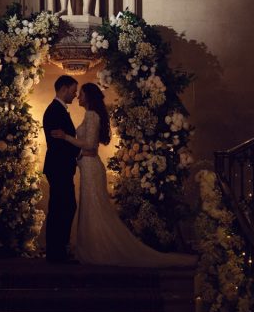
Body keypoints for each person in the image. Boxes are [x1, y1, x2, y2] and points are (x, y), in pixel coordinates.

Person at [51, 83, 195, 268]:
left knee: (95, 208)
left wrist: (66, 137)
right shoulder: (91, 115)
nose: (78, 97)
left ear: (89, 97)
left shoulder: (92, 115)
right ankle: (92, 247)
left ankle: (98, 250)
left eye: (82, 94)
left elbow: (90, 146)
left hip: (91, 169)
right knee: (90, 208)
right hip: (87, 167)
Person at [42, 75, 80, 263]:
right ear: (64, 89)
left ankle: (57, 251)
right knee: (61, 207)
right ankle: (56, 253)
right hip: (59, 166)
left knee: (63, 206)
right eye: (73, 91)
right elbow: (59, 143)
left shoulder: (58, 110)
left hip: (60, 166)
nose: (75, 95)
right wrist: (78, 148)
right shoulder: (55, 111)